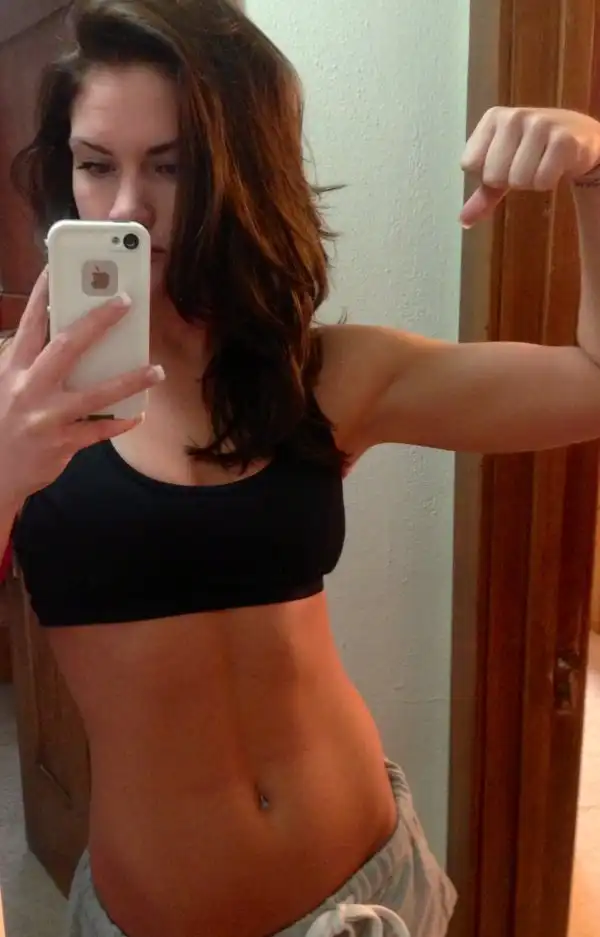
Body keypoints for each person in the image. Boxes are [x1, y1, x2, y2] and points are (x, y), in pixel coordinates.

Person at [2, 1, 600, 936]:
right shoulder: (13, 400)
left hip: (373, 889)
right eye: (96, 164)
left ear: (239, 171)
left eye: (172, 166)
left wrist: (596, 175)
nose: (125, 210)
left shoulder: (317, 374)